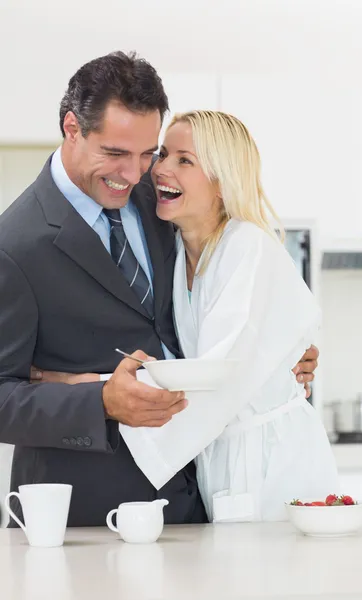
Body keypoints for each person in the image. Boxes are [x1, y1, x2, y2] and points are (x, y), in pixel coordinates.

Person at [0, 52, 318, 527]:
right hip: (85, 509)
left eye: (148, 153)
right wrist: (100, 400)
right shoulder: (15, 244)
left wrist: (277, 351)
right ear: (72, 127)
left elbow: (220, 304)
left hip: (199, 494)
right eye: (115, 153)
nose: (134, 173)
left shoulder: (164, 198)